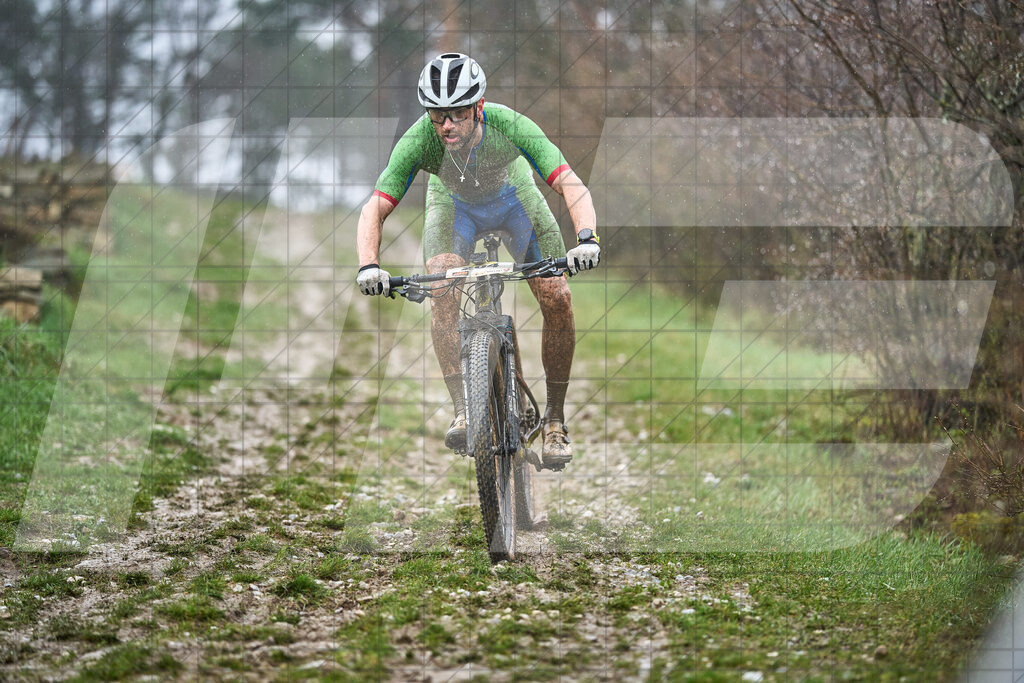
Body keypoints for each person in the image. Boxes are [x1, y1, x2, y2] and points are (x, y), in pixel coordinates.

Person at [355, 52, 599, 468]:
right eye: (437, 115)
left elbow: (569, 183)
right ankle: (465, 410)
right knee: (442, 286)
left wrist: (586, 239)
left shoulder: (510, 124)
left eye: (457, 113)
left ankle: (555, 420)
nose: (447, 125)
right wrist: (369, 265)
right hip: (455, 210)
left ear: (479, 107)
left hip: (515, 202)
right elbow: (375, 206)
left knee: (557, 295)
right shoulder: (419, 139)